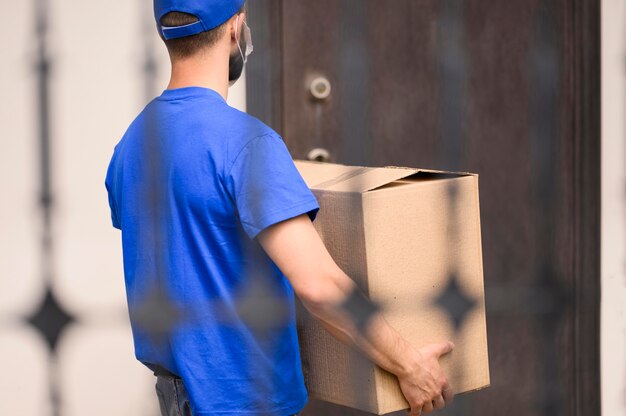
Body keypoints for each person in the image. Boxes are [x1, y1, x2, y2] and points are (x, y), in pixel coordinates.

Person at [105, 1, 454, 415]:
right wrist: (412, 367)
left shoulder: (131, 145)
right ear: (236, 29)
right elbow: (320, 287)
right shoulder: (246, 143)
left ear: (165, 34)